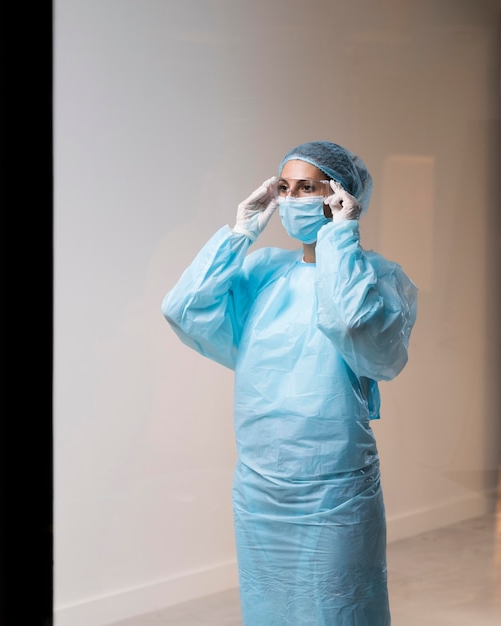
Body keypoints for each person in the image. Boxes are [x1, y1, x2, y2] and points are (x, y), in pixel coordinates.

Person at [161, 141, 417, 625]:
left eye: (308, 187)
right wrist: (239, 234)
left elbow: (355, 327)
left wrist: (342, 238)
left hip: (335, 488)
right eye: (284, 188)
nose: (292, 198)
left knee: (340, 611)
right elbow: (183, 310)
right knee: (268, 610)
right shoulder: (262, 271)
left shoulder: (378, 277)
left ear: (340, 195)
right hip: (260, 485)